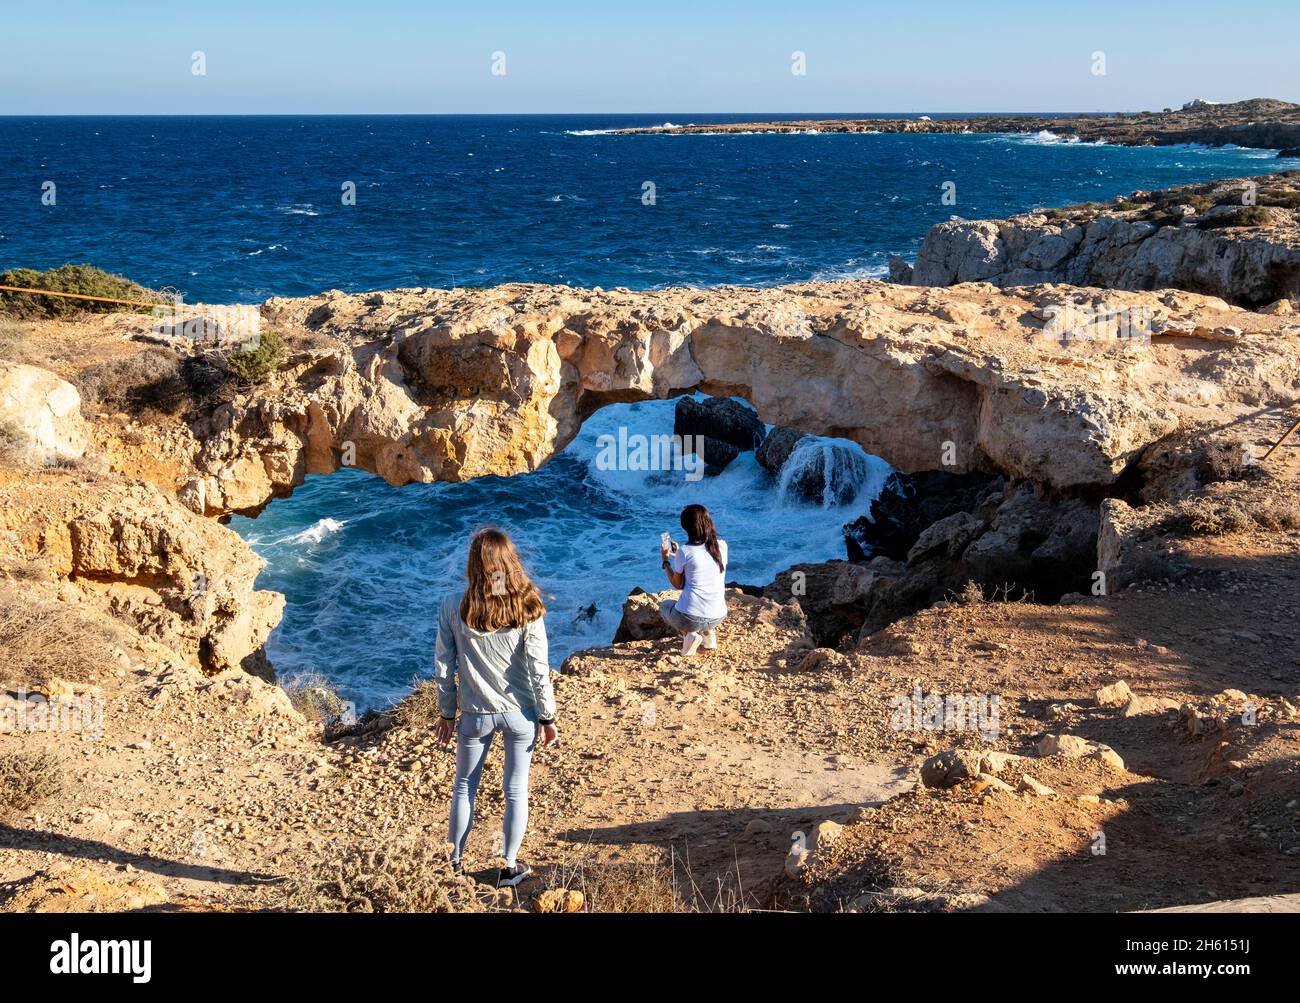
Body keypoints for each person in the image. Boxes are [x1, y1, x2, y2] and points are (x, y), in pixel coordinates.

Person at [433, 528, 558, 888]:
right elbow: (539, 667)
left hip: (475, 714)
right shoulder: (527, 606)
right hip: (521, 714)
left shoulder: (452, 606)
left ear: (473, 564)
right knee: (516, 789)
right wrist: (547, 716)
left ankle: (453, 865)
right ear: (509, 564)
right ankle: (508, 866)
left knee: (463, 787)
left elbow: (444, 666)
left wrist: (446, 712)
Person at [659, 503, 729, 656]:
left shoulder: (685, 551)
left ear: (686, 527)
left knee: (664, 606)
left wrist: (665, 561)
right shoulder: (722, 546)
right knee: (703, 608)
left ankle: (689, 635)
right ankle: (709, 635)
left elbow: (678, 585)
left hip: (690, 618)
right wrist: (679, 556)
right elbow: (703, 566)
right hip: (718, 615)